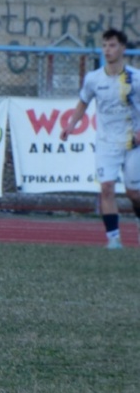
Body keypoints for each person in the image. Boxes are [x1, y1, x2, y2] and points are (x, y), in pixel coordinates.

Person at [60, 28, 140, 249]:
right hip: (106, 142)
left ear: (122, 48)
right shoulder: (93, 79)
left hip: (133, 144)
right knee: (106, 188)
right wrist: (71, 125)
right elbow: (83, 102)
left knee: (134, 193)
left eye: (112, 45)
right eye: (104, 45)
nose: (107, 50)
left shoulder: (135, 78)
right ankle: (113, 239)